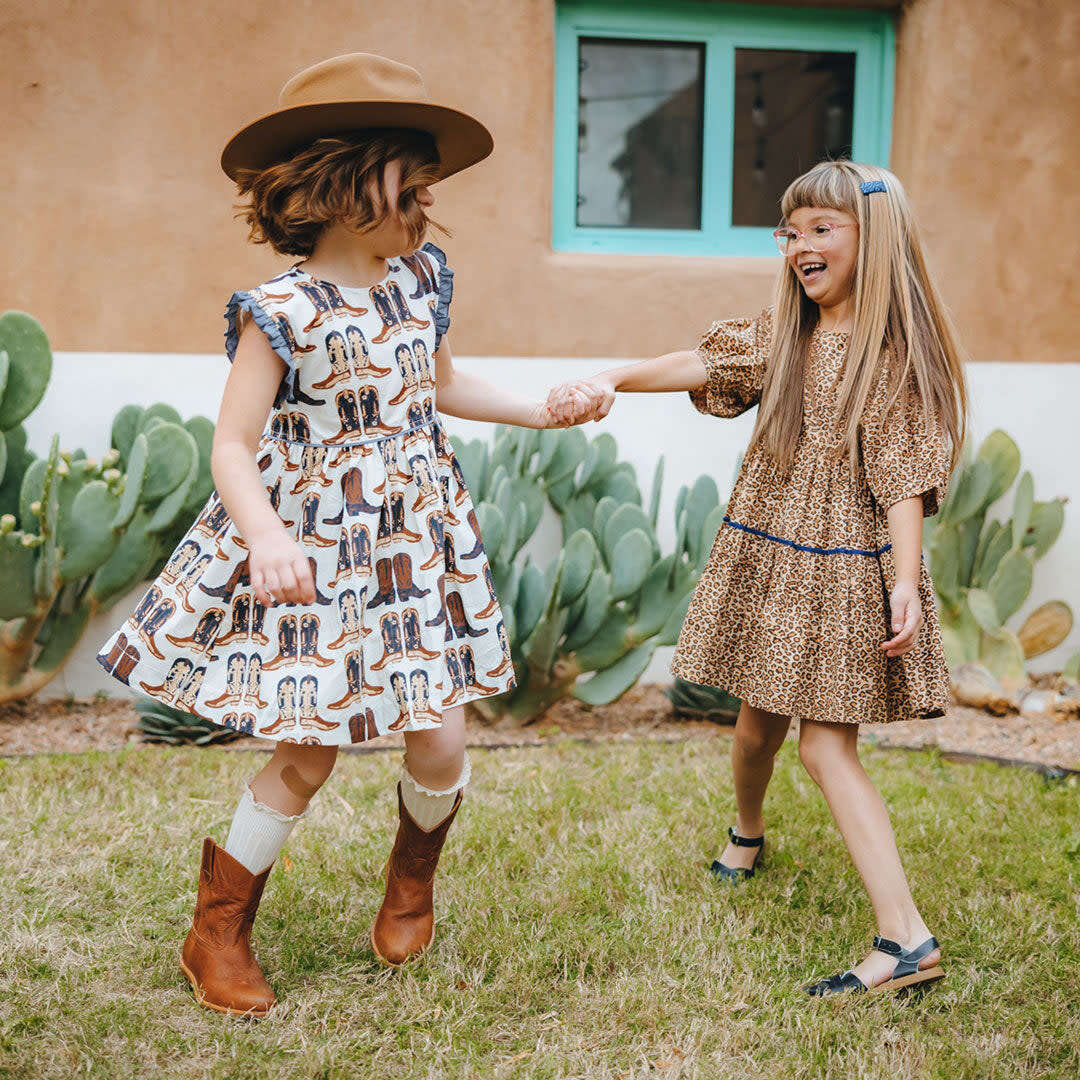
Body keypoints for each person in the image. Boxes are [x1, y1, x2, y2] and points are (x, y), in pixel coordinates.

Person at [97, 52, 581, 1017]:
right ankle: (217, 930)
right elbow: (231, 447)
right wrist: (267, 536)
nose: (428, 206)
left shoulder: (421, 281)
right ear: (343, 184)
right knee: (307, 752)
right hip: (316, 556)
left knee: (440, 740)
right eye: (412, 185)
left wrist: (541, 406)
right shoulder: (280, 311)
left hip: (415, 545)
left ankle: (411, 885)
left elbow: (443, 384)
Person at [548, 161, 966, 996]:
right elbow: (702, 365)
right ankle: (747, 831)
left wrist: (903, 579)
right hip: (775, 551)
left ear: (875, 239)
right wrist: (613, 377)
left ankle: (906, 939)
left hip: (846, 568)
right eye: (791, 232)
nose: (800, 245)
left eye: (822, 229)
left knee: (825, 745)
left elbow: (904, 481)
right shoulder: (788, 336)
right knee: (754, 729)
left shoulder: (892, 359)